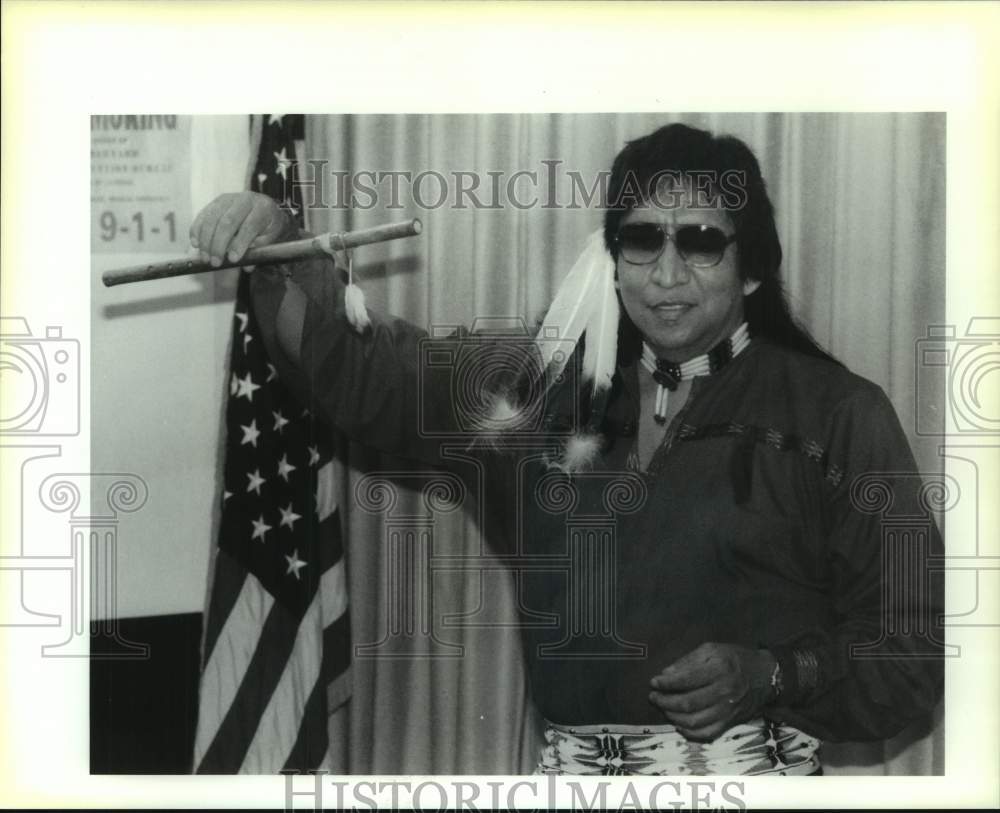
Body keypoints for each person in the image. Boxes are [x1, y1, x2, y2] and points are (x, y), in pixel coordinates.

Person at [190, 123, 944, 776]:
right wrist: (276, 237)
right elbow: (369, 376)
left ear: (751, 268)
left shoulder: (839, 414)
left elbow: (913, 655)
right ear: (612, 255)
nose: (668, 273)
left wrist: (776, 672)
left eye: (702, 242)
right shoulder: (535, 392)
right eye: (643, 239)